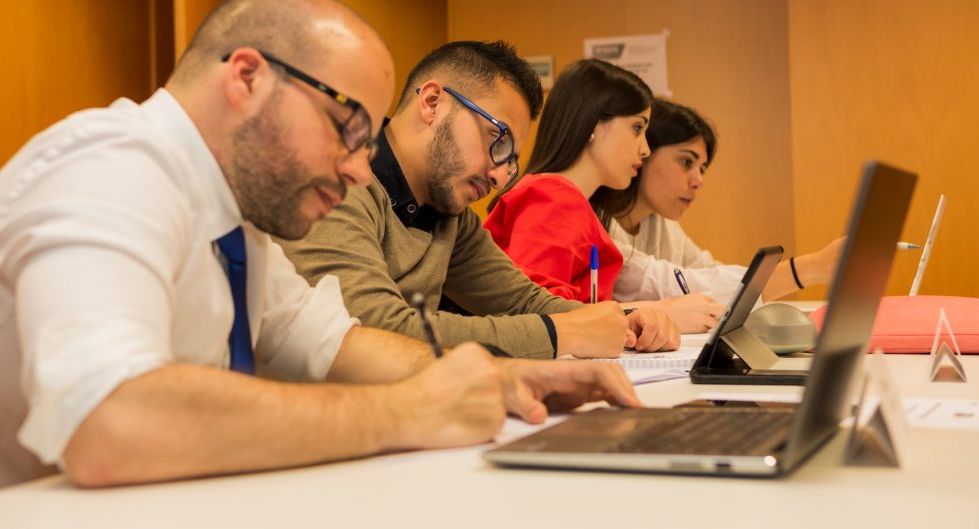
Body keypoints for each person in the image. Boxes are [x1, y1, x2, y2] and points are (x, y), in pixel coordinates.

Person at [0, 0, 639, 499]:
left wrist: (503, 376)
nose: (358, 165)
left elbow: (338, 343)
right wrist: (408, 408)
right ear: (247, 77)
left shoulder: (240, 219)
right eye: (346, 127)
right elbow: (109, 424)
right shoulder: (111, 165)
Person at [279, 42, 680, 360]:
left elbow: (522, 300)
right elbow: (374, 331)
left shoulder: (449, 213)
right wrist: (565, 333)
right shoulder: (336, 183)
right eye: (497, 140)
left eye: (510, 157)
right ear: (432, 103)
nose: (499, 174)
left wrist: (624, 321)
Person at [483, 59, 724, 333]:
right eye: (637, 128)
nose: (645, 149)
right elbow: (536, 318)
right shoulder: (552, 199)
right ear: (593, 125)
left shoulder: (571, 203)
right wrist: (654, 311)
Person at [607, 98, 844, 305]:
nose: (698, 180)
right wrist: (812, 267)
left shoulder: (659, 222)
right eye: (686, 162)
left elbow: (710, 271)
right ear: (645, 152)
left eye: (702, 168)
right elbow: (679, 287)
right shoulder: (600, 227)